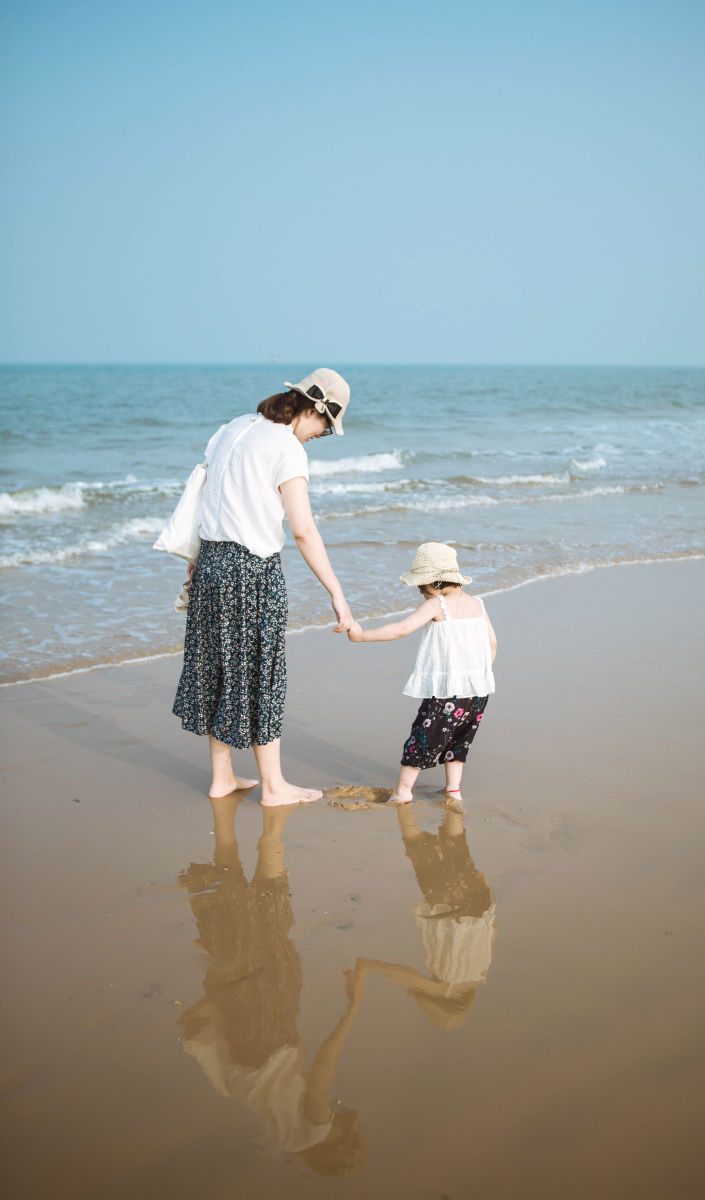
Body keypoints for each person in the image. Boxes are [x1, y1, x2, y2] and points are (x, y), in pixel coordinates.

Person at [173, 369, 354, 805]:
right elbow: (304, 530)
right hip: (251, 571)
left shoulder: (236, 427)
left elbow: (206, 497)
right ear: (315, 410)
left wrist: (199, 561)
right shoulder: (287, 448)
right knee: (261, 674)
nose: (321, 435)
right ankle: (273, 787)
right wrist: (336, 592)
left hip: (210, 564)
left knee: (217, 671)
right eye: (326, 427)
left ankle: (222, 778)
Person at [178, 800, 368, 1178]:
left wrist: (353, 1008)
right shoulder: (275, 1129)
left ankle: (273, 826)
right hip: (240, 1022)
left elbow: (323, 1068)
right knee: (239, 936)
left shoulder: (316, 1129)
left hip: (271, 1026)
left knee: (273, 920)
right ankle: (225, 845)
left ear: (340, 1146)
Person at [347, 542, 497, 805]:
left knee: (422, 738)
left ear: (436, 582)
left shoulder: (439, 604)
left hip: (448, 691)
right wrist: (476, 674)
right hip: (478, 690)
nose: (419, 590)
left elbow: (401, 629)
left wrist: (361, 636)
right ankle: (453, 790)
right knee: (459, 741)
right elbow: (492, 642)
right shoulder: (478, 604)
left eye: (421, 585)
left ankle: (403, 791)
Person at [353, 804, 497, 1029]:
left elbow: (493, 932)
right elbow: (405, 975)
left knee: (456, 842)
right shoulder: (445, 989)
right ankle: (403, 799)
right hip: (447, 906)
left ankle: (452, 798)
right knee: (416, 845)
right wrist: (368, 967)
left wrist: (487, 892)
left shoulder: (480, 975)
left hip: (479, 902)